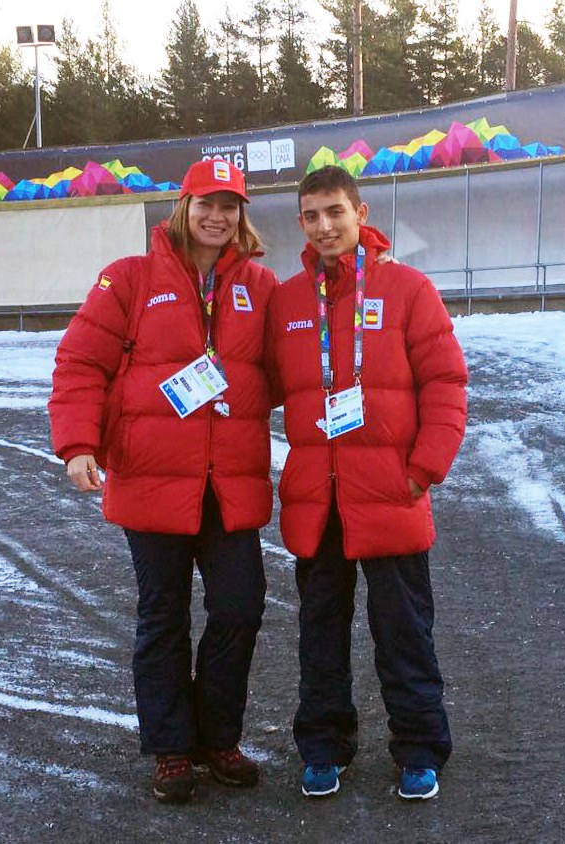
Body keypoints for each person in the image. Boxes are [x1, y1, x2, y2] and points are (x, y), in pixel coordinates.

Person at [49, 159, 277, 805]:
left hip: (229, 483)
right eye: (207, 201)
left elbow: (293, 368)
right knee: (163, 618)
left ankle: (217, 737)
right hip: (152, 482)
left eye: (230, 205)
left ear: (241, 214)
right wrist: (77, 444)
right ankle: (173, 750)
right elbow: (80, 361)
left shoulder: (259, 286)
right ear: (183, 205)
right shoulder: (129, 279)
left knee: (240, 607)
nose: (218, 216)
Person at [265, 165, 468, 801]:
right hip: (317, 499)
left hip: (391, 493)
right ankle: (324, 744)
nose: (324, 226)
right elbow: (255, 386)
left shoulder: (408, 289)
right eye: (311, 215)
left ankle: (419, 747)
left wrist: (424, 467)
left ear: (360, 213)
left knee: (403, 629)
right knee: (320, 631)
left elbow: (446, 383)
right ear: (300, 222)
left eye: (335, 212)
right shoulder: (288, 301)